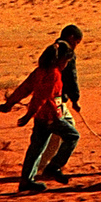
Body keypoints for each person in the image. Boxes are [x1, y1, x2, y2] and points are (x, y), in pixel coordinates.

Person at [3, 40, 81, 193]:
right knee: (73, 136)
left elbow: (24, 88)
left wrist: (11, 102)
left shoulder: (39, 71)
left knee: (36, 148)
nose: (66, 64)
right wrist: (28, 115)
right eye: (66, 61)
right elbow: (42, 97)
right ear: (60, 60)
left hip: (40, 117)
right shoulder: (54, 74)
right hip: (51, 116)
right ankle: (54, 167)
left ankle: (26, 180)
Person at [36, 24, 84, 177]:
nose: (76, 46)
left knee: (57, 132)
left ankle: (45, 165)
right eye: (77, 42)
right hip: (55, 100)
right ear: (71, 38)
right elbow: (71, 77)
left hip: (48, 99)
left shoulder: (52, 49)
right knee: (67, 130)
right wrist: (75, 99)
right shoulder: (66, 53)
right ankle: (48, 166)